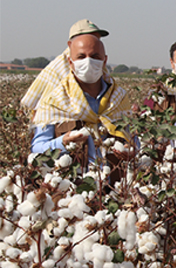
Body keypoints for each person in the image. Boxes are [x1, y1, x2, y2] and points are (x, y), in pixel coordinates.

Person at [31, 33, 131, 173]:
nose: (88, 62)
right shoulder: (53, 101)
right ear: (71, 62)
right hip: (72, 189)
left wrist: (131, 151)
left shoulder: (119, 98)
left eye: (95, 56)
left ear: (104, 60)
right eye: (81, 57)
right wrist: (62, 143)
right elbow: (37, 148)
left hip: (114, 188)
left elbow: (132, 139)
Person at [21, 19, 109, 116]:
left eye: (97, 39)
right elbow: (45, 110)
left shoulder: (99, 65)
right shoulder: (60, 68)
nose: (94, 42)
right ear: (71, 44)